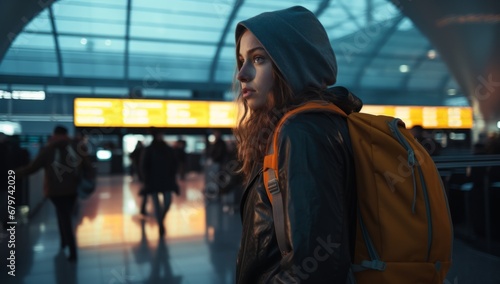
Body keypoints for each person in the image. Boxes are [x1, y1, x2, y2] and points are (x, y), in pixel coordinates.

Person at [233, 6, 359, 283]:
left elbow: (315, 269)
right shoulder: (324, 122)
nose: (242, 73)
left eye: (258, 59)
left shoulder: (301, 132)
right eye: (242, 60)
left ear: (292, 64)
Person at [16, 126, 93, 262]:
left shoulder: (49, 149)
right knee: (65, 215)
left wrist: (14, 173)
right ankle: (65, 242)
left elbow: (33, 167)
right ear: (66, 134)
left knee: (63, 217)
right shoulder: (76, 146)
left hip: (55, 191)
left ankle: (71, 248)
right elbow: (88, 166)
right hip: (73, 189)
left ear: (54, 134)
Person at [140, 127, 179, 236]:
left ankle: (161, 220)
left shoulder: (167, 149)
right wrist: (146, 179)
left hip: (166, 179)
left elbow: (174, 163)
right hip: (153, 180)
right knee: (157, 205)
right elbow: (144, 166)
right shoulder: (149, 149)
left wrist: (173, 176)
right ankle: (161, 224)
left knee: (167, 203)